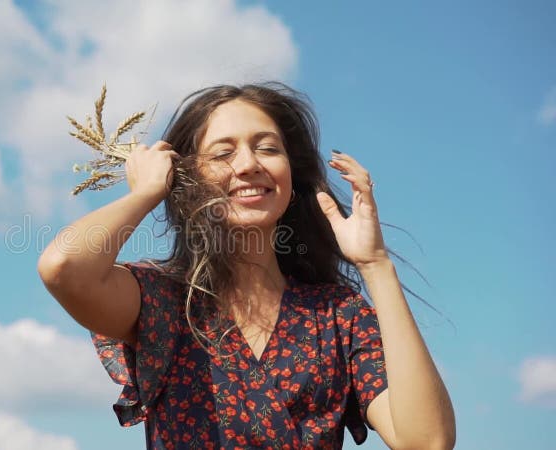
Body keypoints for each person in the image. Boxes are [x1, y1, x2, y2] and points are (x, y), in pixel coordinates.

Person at [38, 82, 456, 449]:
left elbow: (427, 440)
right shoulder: (164, 302)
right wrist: (147, 192)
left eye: (268, 148)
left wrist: (375, 264)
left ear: (291, 177)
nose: (249, 164)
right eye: (223, 153)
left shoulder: (337, 314)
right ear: (188, 180)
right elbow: (64, 268)